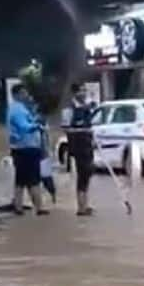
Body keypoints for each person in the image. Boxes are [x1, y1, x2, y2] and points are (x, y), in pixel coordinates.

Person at [7, 84, 49, 216]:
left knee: (22, 179)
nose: (26, 95)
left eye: (25, 92)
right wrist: (38, 126)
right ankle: (38, 207)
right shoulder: (17, 110)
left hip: (24, 148)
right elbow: (24, 127)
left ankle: (20, 206)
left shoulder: (20, 109)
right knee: (32, 179)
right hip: (25, 148)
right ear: (15, 95)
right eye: (22, 93)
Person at [61, 83, 95, 216]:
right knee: (82, 174)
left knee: (88, 173)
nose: (84, 93)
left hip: (88, 144)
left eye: (85, 90)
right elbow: (66, 128)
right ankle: (81, 207)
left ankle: (86, 204)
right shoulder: (69, 110)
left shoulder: (87, 108)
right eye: (81, 91)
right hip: (78, 145)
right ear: (75, 93)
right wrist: (81, 130)